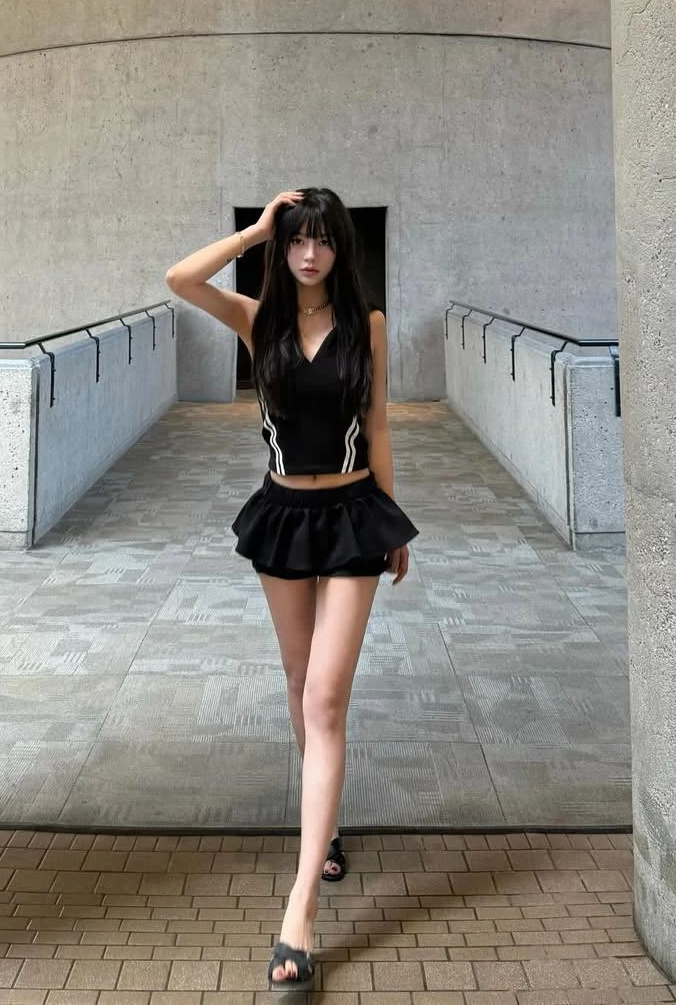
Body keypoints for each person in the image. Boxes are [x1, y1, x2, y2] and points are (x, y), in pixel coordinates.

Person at [165, 187, 419, 989]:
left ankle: (300, 907)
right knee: (297, 678)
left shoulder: (367, 325)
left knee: (325, 698)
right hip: (282, 516)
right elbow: (179, 278)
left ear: (342, 249)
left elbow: (377, 424)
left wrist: (393, 520)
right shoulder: (259, 320)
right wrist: (253, 231)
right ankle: (326, 827)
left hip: (350, 515)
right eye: (298, 240)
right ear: (285, 246)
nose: (310, 254)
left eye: (323, 240)